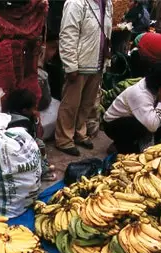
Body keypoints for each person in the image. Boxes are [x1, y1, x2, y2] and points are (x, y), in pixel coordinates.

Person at [55, 0, 113, 156]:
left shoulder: (107, 4)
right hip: (80, 63)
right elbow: (68, 34)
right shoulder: (76, 3)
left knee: (87, 103)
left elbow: (107, 33)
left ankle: (80, 133)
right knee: (71, 104)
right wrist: (70, 65)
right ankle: (64, 140)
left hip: (97, 62)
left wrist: (106, 61)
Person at [102, 63, 161, 154]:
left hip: (137, 117)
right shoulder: (139, 94)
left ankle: (143, 143)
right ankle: (120, 146)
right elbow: (152, 126)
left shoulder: (159, 88)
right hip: (113, 124)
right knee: (143, 127)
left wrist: (160, 110)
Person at [2, 89, 57, 181]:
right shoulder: (21, 122)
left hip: (22, 146)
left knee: (39, 143)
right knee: (39, 145)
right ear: (24, 110)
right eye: (33, 108)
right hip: (20, 150)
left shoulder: (16, 115)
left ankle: (43, 164)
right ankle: (41, 171)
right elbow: (31, 139)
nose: (35, 109)